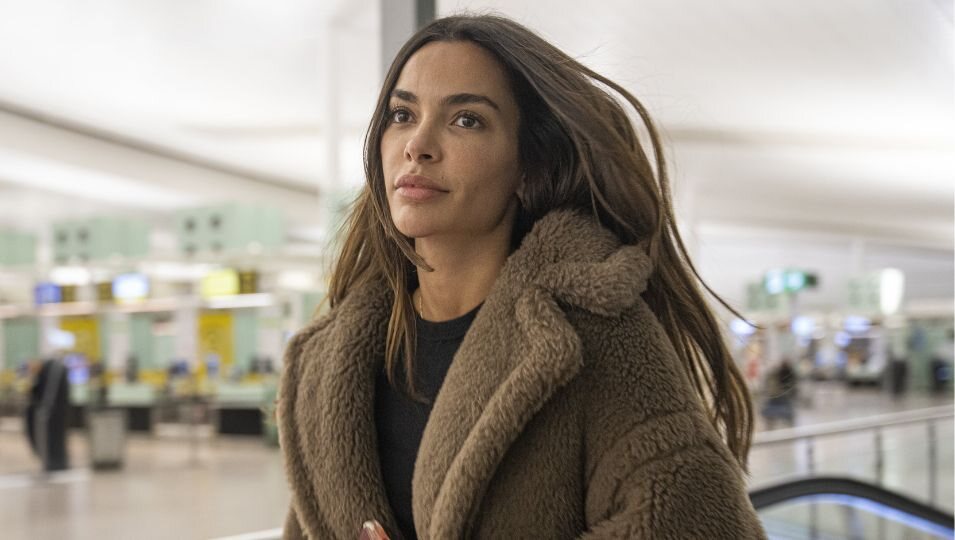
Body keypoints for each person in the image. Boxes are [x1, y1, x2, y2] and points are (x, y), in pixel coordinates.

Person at [278, 14, 764, 539]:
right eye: (402, 113)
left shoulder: (589, 334)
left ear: (527, 167)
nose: (418, 145)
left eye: (466, 119)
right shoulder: (328, 365)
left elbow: (706, 527)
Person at [760, 359, 798, 429]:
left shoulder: (787, 373)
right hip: (777, 395)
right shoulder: (777, 374)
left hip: (784, 395)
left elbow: (792, 384)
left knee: (786, 409)